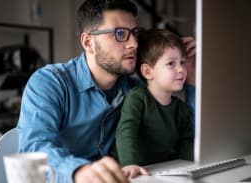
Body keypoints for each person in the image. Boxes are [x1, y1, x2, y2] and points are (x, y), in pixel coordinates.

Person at [17, 0, 196, 182]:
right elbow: (34, 148)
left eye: (135, 33)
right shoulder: (51, 82)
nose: (134, 43)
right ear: (88, 43)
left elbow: (187, 134)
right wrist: (78, 171)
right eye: (120, 33)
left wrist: (192, 80)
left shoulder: (137, 90)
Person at [115, 29, 194, 176]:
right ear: (147, 72)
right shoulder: (137, 98)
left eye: (182, 62)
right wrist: (129, 163)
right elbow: (126, 132)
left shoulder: (181, 108)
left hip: (163, 171)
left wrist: (202, 157)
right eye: (171, 63)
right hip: (134, 172)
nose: (181, 70)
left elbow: (185, 143)